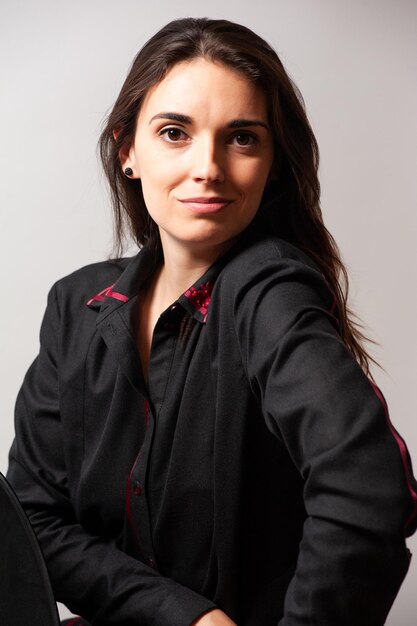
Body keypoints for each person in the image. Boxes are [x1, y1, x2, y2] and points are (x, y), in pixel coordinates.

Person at [7, 17, 417, 626]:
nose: (209, 168)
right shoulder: (75, 307)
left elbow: (371, 491)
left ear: (273, 162)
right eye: (175, 132)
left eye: (243, 138)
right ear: (128, 151)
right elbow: (33, 520)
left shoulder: (269, 292)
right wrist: (186, 617)